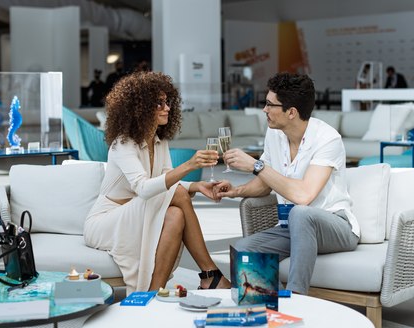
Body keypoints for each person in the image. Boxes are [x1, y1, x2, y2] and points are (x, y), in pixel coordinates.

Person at [83, 71, 230, 294]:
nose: (167, 107)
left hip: (138, 213)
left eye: (167, 102)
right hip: (106, 221)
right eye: (159, 103)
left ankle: (153, 291)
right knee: (178, 196)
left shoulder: (159, 142)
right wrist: (189, 166)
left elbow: (165, 179)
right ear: (140, 109)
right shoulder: (123, 144)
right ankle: (210, 274)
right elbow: (143, 188)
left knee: (176, 214)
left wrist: (197, 186)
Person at [214, 72, 360, 295]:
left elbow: (304, 196)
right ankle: (258, 311)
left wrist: (256, 165)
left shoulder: (327, 139)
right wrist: (237, 191)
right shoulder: (274, 134)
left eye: (270, 105)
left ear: (291, 112)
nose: (264, 110)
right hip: (291, 228)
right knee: (245, 248)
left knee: (300, 213)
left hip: (335, 225)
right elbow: (266, 184)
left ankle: (297, 299)